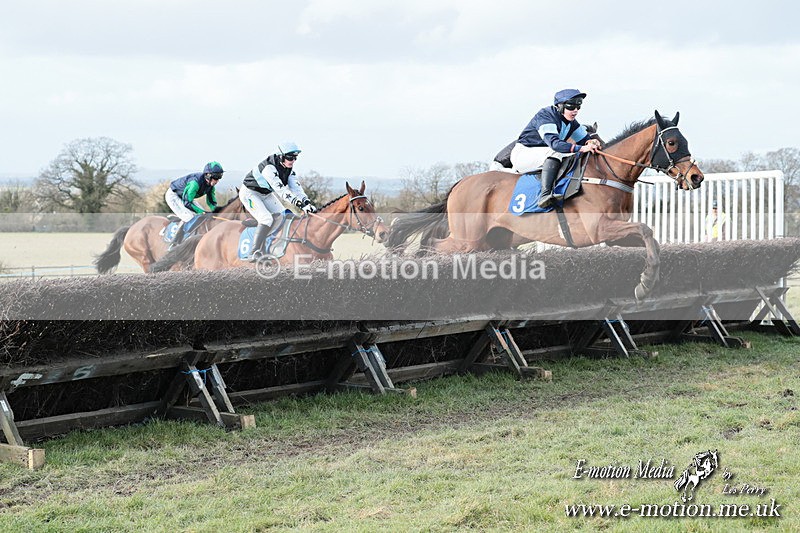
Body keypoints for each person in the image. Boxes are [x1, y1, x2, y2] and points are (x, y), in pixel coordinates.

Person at [511, 89, 601, 208]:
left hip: (544, 154)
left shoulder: (571, 122)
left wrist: (592, 142)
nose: (575, 110)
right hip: (524, 154)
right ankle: (545, 195)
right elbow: (555, 144)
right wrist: (583, 148)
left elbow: (585, 139)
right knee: (556, 152)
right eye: (571, 106)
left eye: (578, 106)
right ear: (560, 105)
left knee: (571, 155)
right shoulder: (546, 115)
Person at [239, 142, 317, 261]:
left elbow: (296, 189)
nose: (292, 161)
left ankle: (274, 245)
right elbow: (281, 191)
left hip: (266, 194)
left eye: (295, 158)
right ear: (281, 156)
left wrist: (307, 202)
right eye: (290, 157)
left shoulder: (288, 169)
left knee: (285, 215)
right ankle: (254, 252)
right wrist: (300, 205)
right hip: (250, 193)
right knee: (266, 219)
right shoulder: (269, 169)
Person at [165, 161, 224, 245]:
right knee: (189, 217)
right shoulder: (194, 184)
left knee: (202, 217)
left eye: (219, 178)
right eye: (216, 177)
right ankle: (174, 242)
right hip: (174, 196)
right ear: (208, 175)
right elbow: (187, 203)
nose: (217, 181)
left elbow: (211, 201)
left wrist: (216, 212)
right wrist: (202, 212)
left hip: (185, 197)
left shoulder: (211, 186)